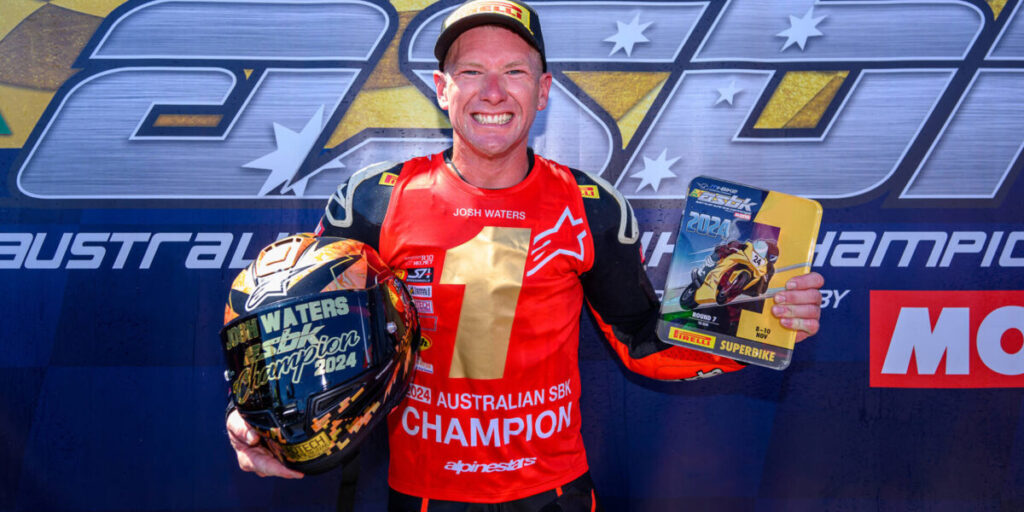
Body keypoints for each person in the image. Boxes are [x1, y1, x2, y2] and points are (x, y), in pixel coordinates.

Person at [226, 0, 826, 509]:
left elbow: (641, 341)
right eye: (471, 71)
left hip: (553, 495)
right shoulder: (374, 201)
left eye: (514, 71)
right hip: (422, 495)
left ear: (542, 92)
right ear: (442, 89)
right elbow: (289, 329)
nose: (493, 91)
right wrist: (251, 419)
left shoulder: (590, 205)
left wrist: (759, 320)